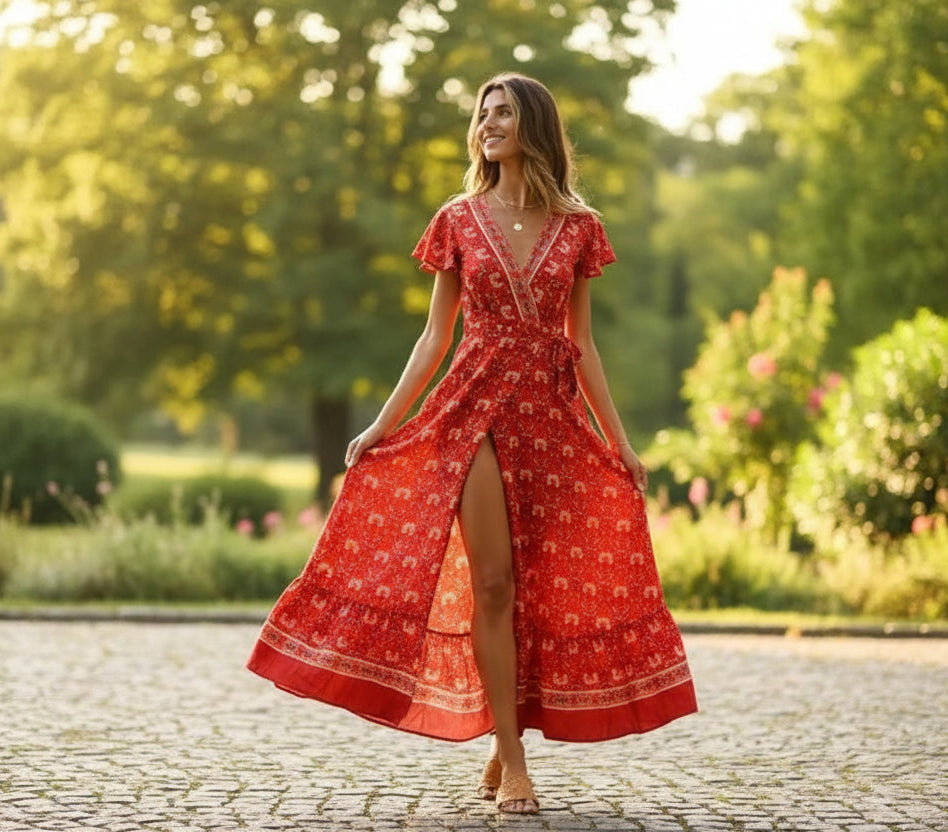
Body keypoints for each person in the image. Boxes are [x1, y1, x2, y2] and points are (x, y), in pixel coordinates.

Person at [247, 72, 698, 815]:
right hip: (474, 411)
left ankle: (503, 735)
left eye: (503, 113)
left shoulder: (580, 228)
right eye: (481, 113)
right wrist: (383, 424)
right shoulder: (457, 219)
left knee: (535, 590)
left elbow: (581, 343)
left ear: (534, 126)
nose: (487, 124)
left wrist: (619, 443)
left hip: (551, 422)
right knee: (492, 583)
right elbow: (435, 336)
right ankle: (516, 766)